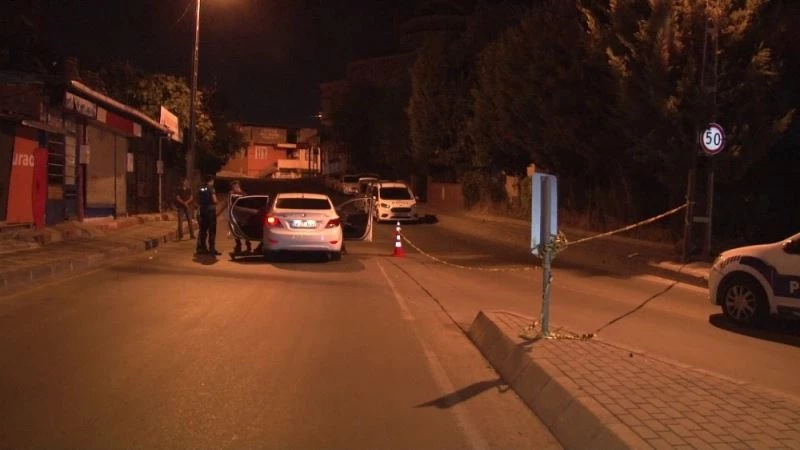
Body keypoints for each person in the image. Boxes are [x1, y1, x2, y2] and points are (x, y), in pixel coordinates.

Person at [196, 174, 221, 256]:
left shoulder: (201, 188)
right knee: (212, 231)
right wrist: (217, 202)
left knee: (203, 230)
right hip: (210, 212)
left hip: (203, 211)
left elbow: (198, 200)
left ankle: (203, 248)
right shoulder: (211, 188)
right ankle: (212, 249)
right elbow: (214, 200)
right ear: (211, 181)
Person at [228, 180, 252, 254]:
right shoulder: (231, 193)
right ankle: (238, 246)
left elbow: (248, 203)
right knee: (236, 231)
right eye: (233, 187)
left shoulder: (243, 194)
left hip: (243, 215)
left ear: (238, 186)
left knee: (245, 231)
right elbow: (229, 203)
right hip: (235, 214)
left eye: (235, 186)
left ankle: (248, 246)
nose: (234, 188)